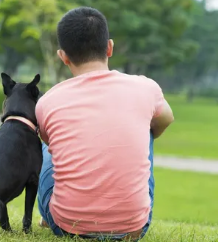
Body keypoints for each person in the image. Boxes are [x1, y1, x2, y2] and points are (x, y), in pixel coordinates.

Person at [35, 7, 174, 241]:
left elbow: (52, 145)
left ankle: (52, 213)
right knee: (149, 124)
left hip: (67, 226)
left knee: (46, 148)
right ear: (109, 47)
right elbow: (166, 119)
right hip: (134, 230)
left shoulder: (47, 101)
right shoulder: (146, 88)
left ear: (63, 56)